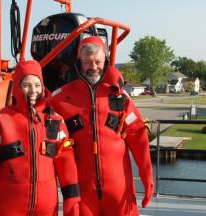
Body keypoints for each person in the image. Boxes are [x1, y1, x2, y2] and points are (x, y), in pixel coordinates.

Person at [49, 36, 154, 215]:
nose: (93, 67)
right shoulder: (60, 99)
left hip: (119, 189)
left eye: (97, 61)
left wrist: (147, 178)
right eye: (88, 62)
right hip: (82, 191)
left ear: (104, 61)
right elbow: (42, 138)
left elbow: (138, 137)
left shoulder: (120, 98)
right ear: (79, 62)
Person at [0, 60, 80, 216]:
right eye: (27, 85)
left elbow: (66, 162)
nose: (33, 90)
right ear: (17, 86)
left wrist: (72, 198)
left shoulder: (55, 121)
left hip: (46, 208)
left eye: (37, 85)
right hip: (8, 206)